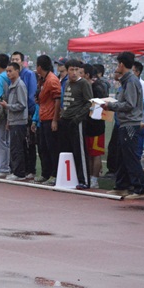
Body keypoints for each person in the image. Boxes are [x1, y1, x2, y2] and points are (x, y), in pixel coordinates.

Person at [102, 52, 144, 199]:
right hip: (124, 123)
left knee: (130, 157)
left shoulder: (131, 81)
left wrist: (111, 105)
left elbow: (130, 104)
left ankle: (141, 188)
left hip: (130, 123)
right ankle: (122, 186)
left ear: (121, 64)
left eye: (117, 64)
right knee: (122, 156)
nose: (116, 67)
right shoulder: (126, 81)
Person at [58, 59, 92, 189]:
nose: (74, 73)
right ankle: (71, 178)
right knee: (68, 150)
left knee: (80, 151)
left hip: (77, 121)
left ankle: (85, 180)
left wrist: (78, 118)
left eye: (76, 70)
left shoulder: (83, 84)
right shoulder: (67, 83)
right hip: (66, 120)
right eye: (71, 70)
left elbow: (89, 103)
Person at [33, 55, 61, 185]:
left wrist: (55, 119)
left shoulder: (52, 80)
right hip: (43, 117)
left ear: (39, 67)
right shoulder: (43, 80)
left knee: (52, 148)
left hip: (50, 118)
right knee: (43, 148)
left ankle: (54, 174)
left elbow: (57, 100)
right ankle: (45, 173)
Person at [11, 51, 37, 179]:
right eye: (13, 59)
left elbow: (31, 95)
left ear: (22, 61)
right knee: (20, 143)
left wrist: (30, 112)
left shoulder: (29, 74)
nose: (15, 61)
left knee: (29, 143)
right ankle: (23, 168)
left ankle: (31, 169)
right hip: (16, 115)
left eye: (17, 59)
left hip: (27, 113)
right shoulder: (12, 76)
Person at [0, 62, 28, 180]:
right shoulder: (12, 85)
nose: (8, 73)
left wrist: (7, 106)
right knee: (14, 147)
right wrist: (8, 121)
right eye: (7, 71)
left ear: (17, 71)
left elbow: (22, 105)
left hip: (19, 121)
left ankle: (19, 173)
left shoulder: (19, 85)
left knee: (17, 148)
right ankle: (16, 170)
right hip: (13, 120)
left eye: (10, 71)